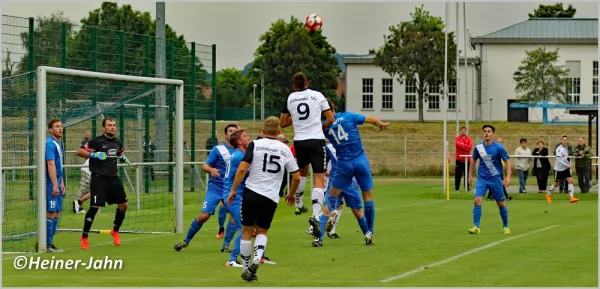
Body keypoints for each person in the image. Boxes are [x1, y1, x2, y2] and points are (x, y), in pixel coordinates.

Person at [227, 116, 300, 282]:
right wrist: (291, 194)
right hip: (270, 197)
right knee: (262, 231)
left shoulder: (255, 144)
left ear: (262, 131)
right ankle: (256, 259)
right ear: (279, 132)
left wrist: (233, 190)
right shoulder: (285, 149)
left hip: (251, 192)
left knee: (246, 231)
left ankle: (246, 268)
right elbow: (296, 177)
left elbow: (242, 169)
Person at [322, 99, 389, 246]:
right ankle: (369, 232)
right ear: (333, 107)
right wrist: (380, 123)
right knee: (368, 197)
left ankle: (329, 218)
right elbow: (370, 119)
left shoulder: (323, 127)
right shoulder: (347, 116)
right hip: (360, 160)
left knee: (332, 195)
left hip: (344, 164)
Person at [279, 72, 335, 239]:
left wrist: (295, 120)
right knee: (318, 177)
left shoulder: (290, 98)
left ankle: (299, 204)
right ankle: (316, 215)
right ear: (307, 83)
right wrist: (322, 126)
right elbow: (330, 118)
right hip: (316, 140)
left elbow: (282, 123)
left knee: (301, 172)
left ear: (293, 85)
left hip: (299, 141)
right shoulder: (317, 95)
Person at [173, 124, 238, 251]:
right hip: (216, 187)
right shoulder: (218, 149)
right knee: (204, 216)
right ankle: (186, 240)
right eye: (230, 131)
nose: (233, 133)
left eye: (235, 131)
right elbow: (205, 166)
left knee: (233, 217)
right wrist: (211, 170)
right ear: (225, 135)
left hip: (231, 189)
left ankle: (226, 246)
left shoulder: (241, 151)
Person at [222, 130, 275, 268]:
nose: (249, 138)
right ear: (239, 142)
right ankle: (232, 259)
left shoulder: (240, 154)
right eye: (245, 136)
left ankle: (260, 257)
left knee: (257, 226)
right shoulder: (241, 156)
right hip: (234, 196)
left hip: (239, 194)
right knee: (245, 228)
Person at [76, 117, 131, 250]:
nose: (112, 127)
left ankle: (115, 231)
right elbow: (79, 151)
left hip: (113, 178)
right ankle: (84, 237)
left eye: (114, 125)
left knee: (124, 205)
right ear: (104, 127)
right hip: (99, 178)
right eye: (109, 125)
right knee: (94, 207)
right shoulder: (96, 141)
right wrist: (93, 155)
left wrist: (122, 156)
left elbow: (119, 151)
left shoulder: (117, 141)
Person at [314, 143, 371, 247]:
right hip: (335, 184)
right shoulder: (329, 147)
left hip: (350, 184)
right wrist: (329, 173)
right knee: (327, 209)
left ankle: (368, 236)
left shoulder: (353, 144)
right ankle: (319, 239)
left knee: (357, 211)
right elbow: (322, 166)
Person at [467, 125, 511, 235]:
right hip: (482, 179)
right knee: (477, 200)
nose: (487, 133)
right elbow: (473, 160)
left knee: (500, 203)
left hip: (495, 179)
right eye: (485, 131)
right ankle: (476, 227)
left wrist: (508, 176)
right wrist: (470, 175)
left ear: (493, 134)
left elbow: (508, 161)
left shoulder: (499, 148)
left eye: (489, 131)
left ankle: (505, 226)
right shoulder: (479, 147)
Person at [45, 118, 66, 252]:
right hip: (50, 183)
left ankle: (51, 242)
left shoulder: (58, 143)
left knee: (57, 211)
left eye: (61, 126)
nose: (60, 128)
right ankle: (47, 244)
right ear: (51, 129)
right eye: (57, 126)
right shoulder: (50, 143)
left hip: (57, 181)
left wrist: (61, 182)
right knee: (51, 211)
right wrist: (54, 185)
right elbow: (50, 164)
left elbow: (59, 165)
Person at [546, 135, 580, 204]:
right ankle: (548, 195)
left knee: (570, 181)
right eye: (563, 140)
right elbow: (559, 160)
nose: (564, 141)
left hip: (565, 168)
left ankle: (571, 197)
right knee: (556, 184)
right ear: (561, 141)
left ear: (567, 141)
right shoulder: (559, 149)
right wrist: (567, 165)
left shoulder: (567, 148)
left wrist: (569, 163)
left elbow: (565, 158)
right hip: (559, 169)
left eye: (566, 140)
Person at [486, 137, 513, 201]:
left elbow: (506, 159)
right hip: (493, 169)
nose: (499, 143)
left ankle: (490, 196)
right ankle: (506, 196)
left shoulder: (502, 150)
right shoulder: (493, 149)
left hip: (499, 169)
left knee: (499, 183)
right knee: (496, 183)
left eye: (500, 142)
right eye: (498, 142)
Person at [73, 131, 92, 214]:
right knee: (96, 190)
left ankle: (79, 206)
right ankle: (78, 203)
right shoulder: (90, 144)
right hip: (89, 171)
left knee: (86, 190)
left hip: (89, 170)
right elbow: (81, 150)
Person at [455, 126, 473, 191]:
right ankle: (457, 188)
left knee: (467, 175)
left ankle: (467, 188)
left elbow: (470, 147)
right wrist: (465, 146)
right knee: (458, 175)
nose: (463, 132)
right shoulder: (457, 138)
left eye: (464, 130)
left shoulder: (469, 139)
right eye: (462, 130)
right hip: (459, 160)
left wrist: (463, 145)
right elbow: (457, 144)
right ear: (460, 131)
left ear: (466, 131)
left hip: (467, 160)